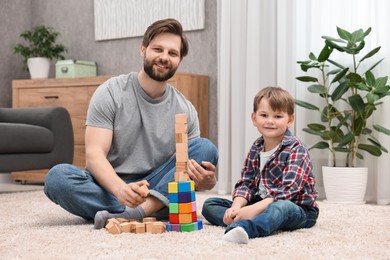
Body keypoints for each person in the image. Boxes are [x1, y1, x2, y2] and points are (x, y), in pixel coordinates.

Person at [44, 18, 219, 229]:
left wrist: (207, 182)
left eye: (172, 53)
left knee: (205, 147)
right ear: (143, 49)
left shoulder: (186, 109)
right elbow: (94, 155)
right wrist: (120, 190)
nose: (164, 57)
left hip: (154, 184)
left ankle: (136, 212)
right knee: (57, 178)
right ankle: (153, 207)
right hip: (109, 184)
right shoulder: (110, 92)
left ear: (180, 60)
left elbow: (185, 171)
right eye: (158, 49)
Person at [202, 86, 318, 244]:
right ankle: (252, 218)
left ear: (290, 120)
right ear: (254, 118)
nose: (270, 121)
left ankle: (246, 227)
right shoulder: (256, 147)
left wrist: (253, 209)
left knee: (281, 208)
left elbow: (288, 191)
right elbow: (246, 182)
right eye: (264, 115)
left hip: (297, 207)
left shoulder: (297, 149)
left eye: (278, 116)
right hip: (260, 202)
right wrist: (237, 207)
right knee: (210, 205)